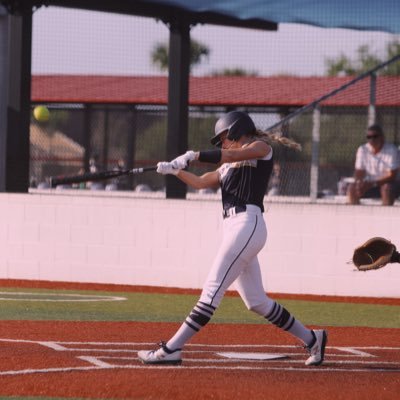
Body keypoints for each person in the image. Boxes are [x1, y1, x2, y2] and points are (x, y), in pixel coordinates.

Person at [138, 111, 327, 367]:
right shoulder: (227, 166)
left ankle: (172, 348)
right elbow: (202, 182)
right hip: (235, 228)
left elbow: (231, 154)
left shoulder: (260, 148)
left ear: (237, 129)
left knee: (211, 291)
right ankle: (313, 338)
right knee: (257, 301)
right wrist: (174, 171)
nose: (223, 144)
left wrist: (193, 155)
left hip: (247, 224)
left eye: (224, 137)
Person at [347, 124, 400, 206]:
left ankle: (385, 215)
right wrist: (359, 182)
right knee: (352, 188)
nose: (372, 139)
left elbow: (392, 175)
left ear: (382, 137)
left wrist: (373, 183)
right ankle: (354, 215)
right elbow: (359, 171)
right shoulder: (362, 150)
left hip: (390, 184)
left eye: (375, 137)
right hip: (369, 185)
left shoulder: (392, 150)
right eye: (369, 137)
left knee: (387, 189)